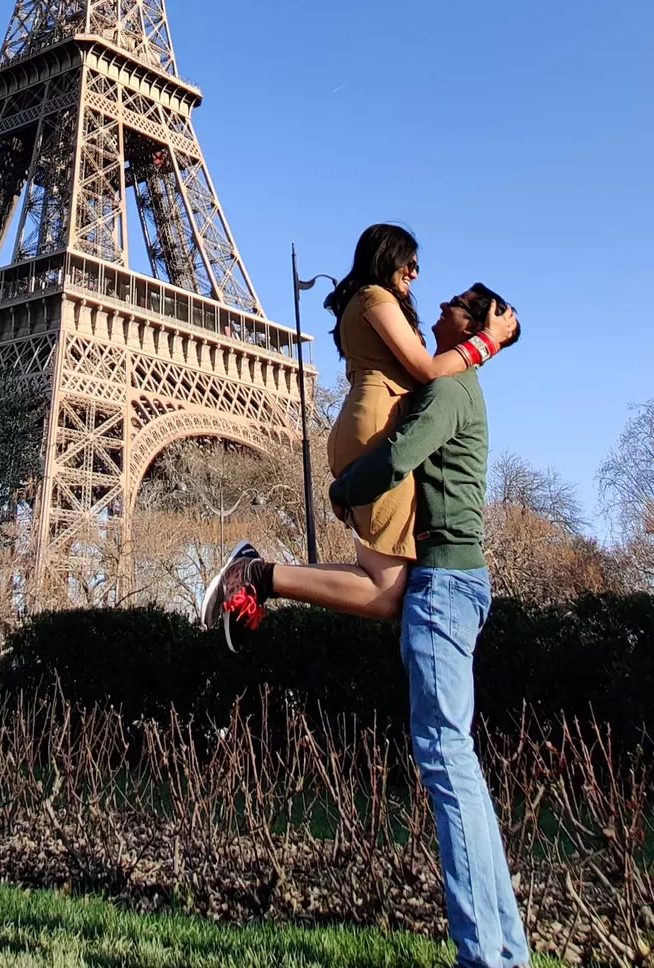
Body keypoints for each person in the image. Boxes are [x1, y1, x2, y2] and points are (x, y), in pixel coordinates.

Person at [203, 281, 528, 968]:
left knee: (446, 761)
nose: (438, 304)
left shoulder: (447, 390)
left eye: (457, 302)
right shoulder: (454, 384)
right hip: (450, 583)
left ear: (470, 324)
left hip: (441, 585)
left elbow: (397, 456)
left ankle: (488, 959)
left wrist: (342, 492)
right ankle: (506, 953)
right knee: (459, 768)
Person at [201, 224, 517, 639]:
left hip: (367, 424)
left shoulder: (373, 301)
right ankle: (258, 575)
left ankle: (261, 577)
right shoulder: (375, 296)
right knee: (385, 591)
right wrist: (490, 341)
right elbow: (427, 370)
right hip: (376, 430)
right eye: (411, 262)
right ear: (388, 256)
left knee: (380, 582)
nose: (416, 273)